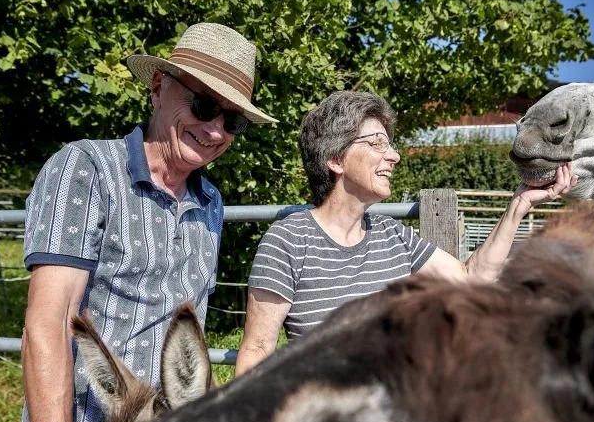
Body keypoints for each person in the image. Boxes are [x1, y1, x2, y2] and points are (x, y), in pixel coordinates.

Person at [14, 22, 277, 422]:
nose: (215, 130)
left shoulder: (210, 203)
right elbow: (48, 327)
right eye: (204, 104)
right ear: (158, 87)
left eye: (232, 120)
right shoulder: (88, 169)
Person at [234, 91, 576, 376]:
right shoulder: (289, 240)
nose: (394, 156)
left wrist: (520, 204)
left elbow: (472, 277)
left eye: (391, 144)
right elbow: (258, 349)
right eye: (378, 143)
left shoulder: (392, 235)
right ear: (336, 159)